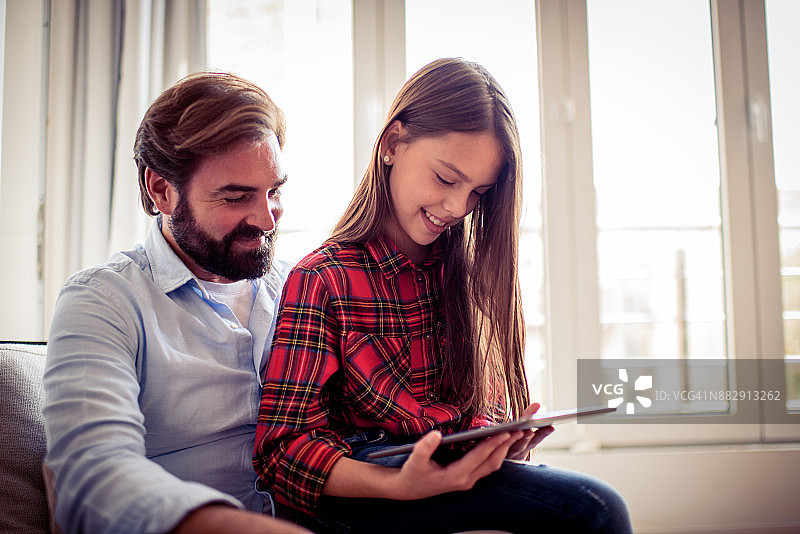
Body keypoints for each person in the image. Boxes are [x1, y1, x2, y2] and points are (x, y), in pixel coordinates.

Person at [253, 58, 633, 533]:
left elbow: (479, 410)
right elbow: (279, 452)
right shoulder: (323, 278)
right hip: (367, 492)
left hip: (447, 478)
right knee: (596, 508)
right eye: (446, 179)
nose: (458, 208)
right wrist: (399, 486)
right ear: (392, 145)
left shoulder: (465, 278)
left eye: (478, 193)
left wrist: (496, 441)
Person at [43, 72, 310, 534]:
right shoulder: (103, 301)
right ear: (161, 190)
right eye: (236, 196)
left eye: (275, 191)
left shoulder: (301, 288)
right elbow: (94, 473)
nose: (267, 218)